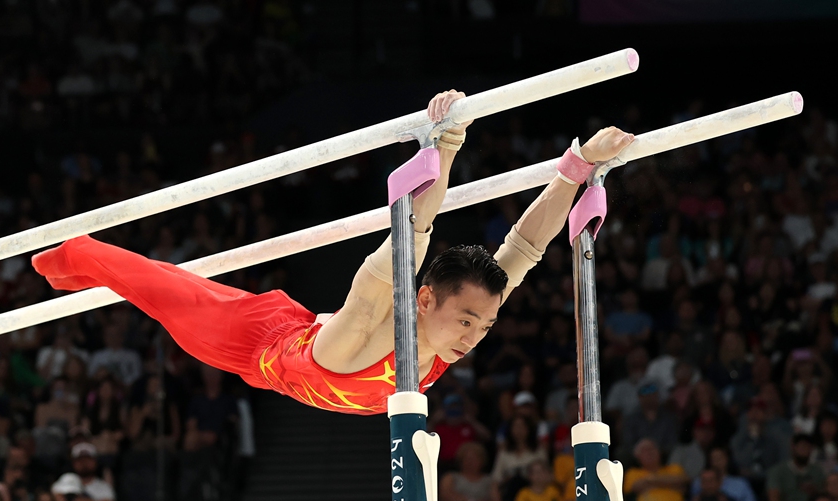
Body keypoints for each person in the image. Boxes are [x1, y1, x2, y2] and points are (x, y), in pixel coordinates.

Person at [31, 94, 636, 415]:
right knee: (150, 284)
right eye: (468, 320)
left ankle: (80, 259)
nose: (475, 336)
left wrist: (577, 168)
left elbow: (526, 246)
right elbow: (410, 234)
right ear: (422, 299)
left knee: (158, 286)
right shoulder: (368, 327)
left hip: (291, 341)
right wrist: (444, 146)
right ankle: (71, 257)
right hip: (253, 342)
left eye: (483, 324)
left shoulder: (440, 334)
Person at [433, 442, 500, 501]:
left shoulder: (489, 481)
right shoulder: (450, 477)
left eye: (474, 459)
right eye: (467, 459)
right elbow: (445, 495)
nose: (470, 462)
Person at [624, 438, 690, 501]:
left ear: (659, 452)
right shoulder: (633, 473)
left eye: (652, 449)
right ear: (637, 456)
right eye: (645, 450)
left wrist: (649, 480)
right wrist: (669, 483)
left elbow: (683, 481)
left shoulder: (674, 469)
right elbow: (635, 488)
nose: (650, 453)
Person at [766, 434, 826, 501]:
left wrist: (815, 491)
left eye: (807, 448)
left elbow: (826, 494)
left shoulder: (817, 471)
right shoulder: (778, 470)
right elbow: (773, 497)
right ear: (793, 448)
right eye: (801, 447)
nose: (804, 451)